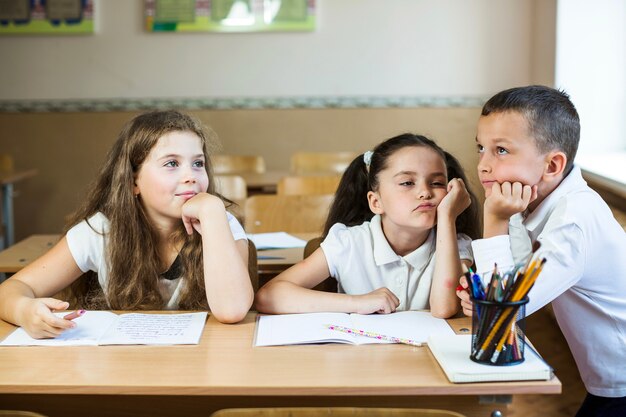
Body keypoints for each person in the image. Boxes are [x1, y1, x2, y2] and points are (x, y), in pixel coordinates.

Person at [0, 110, 254, 338]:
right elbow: (12, 289)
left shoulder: (220, 223)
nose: (190, 176)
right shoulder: (101, 230)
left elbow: (232, 310)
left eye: (197, 163)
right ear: (133, 182)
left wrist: (212, 213)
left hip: (201, 366)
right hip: (122, 367)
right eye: (171, 164)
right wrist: (24, 310)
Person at [456, 85, 626, 416]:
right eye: (481, 148)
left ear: (552, 166)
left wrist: (494, 220)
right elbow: (503, 289)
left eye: (501, 150)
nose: (484, 165)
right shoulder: (530, 203)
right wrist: (482, 297)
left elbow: (500, 315)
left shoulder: (574, 221)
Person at [256, 133, 480, 318]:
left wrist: (448, 218)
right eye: (407, 183)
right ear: (376, 201)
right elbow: (269, 296)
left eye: (437, 183)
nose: (425, 192)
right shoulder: (349, 243)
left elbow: (444, 309)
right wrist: (356, 302)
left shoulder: (455, 245)